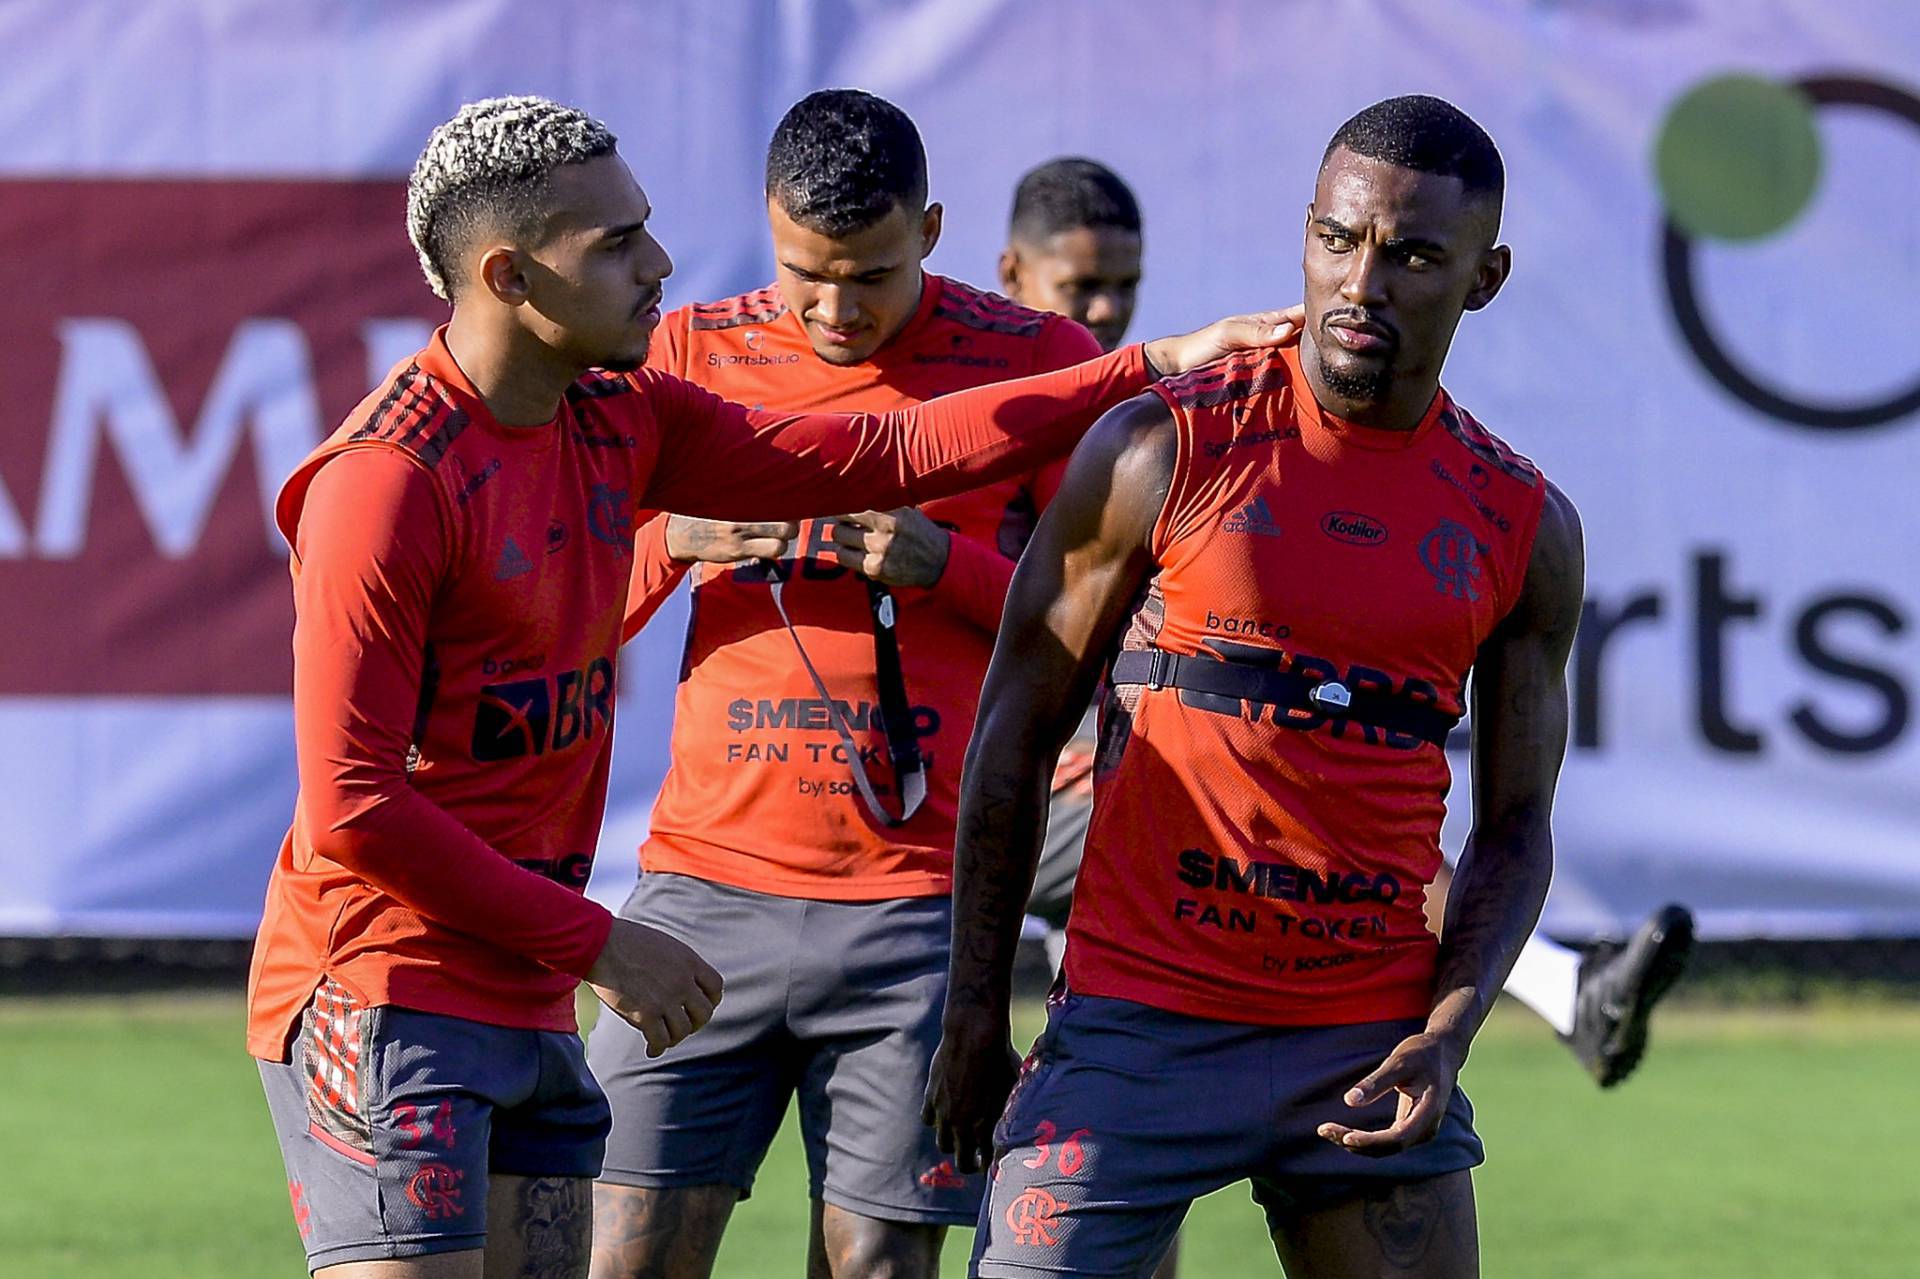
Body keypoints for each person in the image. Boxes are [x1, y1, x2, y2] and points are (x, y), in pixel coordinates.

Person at [246, 93, 1298, 1279]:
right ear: (509, 275)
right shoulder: (384, 482)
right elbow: (351, 806)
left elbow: (886, 450)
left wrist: (1151, 365)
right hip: (385, 985)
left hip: (531, 990)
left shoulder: (621, 414)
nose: (660, 263)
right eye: (618, 243)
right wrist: (602, 943)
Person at [927, 95, 1580, 1278]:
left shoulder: (1520, 523)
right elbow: (1013, 733)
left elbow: (1516, 825)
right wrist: (974, 1006)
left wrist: (1448, 1031)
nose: (1361, 284)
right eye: (1338, 239)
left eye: (1412, 256)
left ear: (1484, 279)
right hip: (1134, 1030)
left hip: (1364, 1042)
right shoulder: (1160, 447)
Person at [1000, 155, 1693, 1092]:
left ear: (1483, 278)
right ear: (1012, 273)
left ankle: (1560, 989)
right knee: (1248, 814)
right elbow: (1020, 628)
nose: (1106, 310)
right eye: (1080, 287)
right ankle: (1566, 989)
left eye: (1124, 286)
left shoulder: (1150, 411)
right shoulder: (1026, 412)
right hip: (971, 781)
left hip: (1112, 755)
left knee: (1312, 804)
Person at [584, 90, 1108, 1279]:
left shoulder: (1036, 364)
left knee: (879, 1266)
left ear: (931, 230)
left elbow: (1117, 619)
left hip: (918, 910)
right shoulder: (687, 354)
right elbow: (562, 609)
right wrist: (677, 540)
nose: (835, 310)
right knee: (617, 1263)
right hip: (701, 897)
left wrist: (947, 568)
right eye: (804, 276)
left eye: (870, 276)